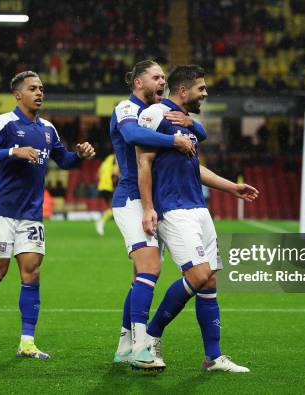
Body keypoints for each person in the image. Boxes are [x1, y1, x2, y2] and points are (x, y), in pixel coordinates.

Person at [0, 71, 95, 359]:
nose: (39, 92)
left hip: (31, 214)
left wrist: (79, 155)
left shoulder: (48, 129)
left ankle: (27, 342)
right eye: (33, 88)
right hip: (2, 212)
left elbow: (64, 161)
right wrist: (12, 151)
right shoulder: (3, 123)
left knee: (31, 274)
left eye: (41, 88)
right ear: (18, 95)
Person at [136, 65, 258, 372]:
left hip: (197, 208)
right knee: (198, 274)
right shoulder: (154, 116)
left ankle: (213, 357)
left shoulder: (188, 124)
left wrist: (232, 188)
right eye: (200, 89)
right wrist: (149, 207)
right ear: (183, 91)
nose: (205, 93)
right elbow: (144, 164)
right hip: (173, 210)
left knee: (210, 279)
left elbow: (195, 168)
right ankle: (150, 337)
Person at [109, 60, 203, 369]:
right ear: (138, 83)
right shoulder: (125, 108)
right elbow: (134, 136)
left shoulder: (161, 110)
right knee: (150, 267)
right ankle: (141, 347)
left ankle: (125, 345)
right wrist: (173, 140)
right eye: (156, 77)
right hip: (132, 198)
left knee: (141, 276)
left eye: (164, 77)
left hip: (154, 199)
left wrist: (191, 126)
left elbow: (198, 130)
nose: (162, 81)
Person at [95, 153, 119, 236]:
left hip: (101, 186)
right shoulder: (115, 161)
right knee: (114, 208)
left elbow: (98, 174)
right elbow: (115, 174)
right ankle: (101, 221)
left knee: (113, 208)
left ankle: (101, 221)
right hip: (108, 187)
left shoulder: (106, 161)